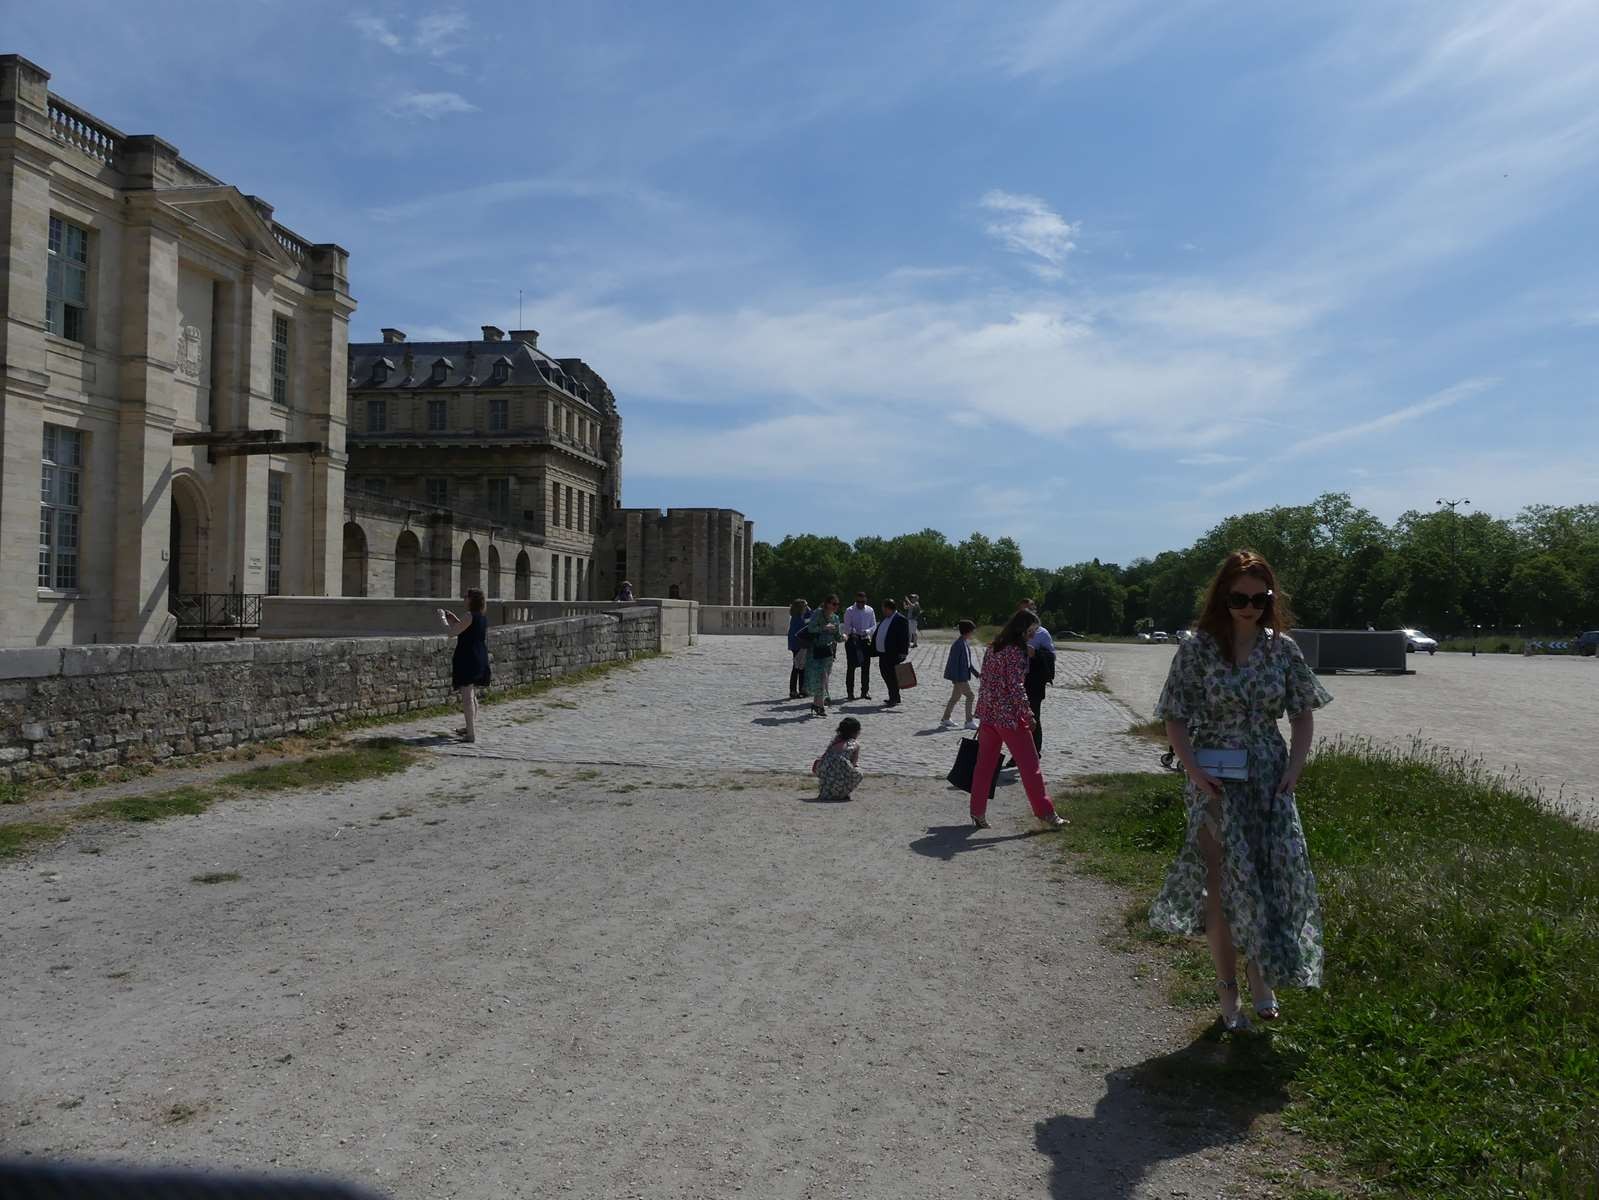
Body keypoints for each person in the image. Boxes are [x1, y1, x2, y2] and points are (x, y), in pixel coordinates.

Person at [1150, 549, 1332, 1032]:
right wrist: (1191, 771)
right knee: (1222, 885)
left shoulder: (1283, 649)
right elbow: (1174, 715)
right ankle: (1227, 988)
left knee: (1269, 877)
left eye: (1259, 598)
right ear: (1222, 597)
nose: (1249, 606)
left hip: (1268, 777)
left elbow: (1303, 713)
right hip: (1212, 778)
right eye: (1238, 597)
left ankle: (1261, 977)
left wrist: (1295, 768)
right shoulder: (1196, 649)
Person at [970, 610, 1067, 831]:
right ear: (1022, 630)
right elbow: (1016, 687)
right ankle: (1045, 812)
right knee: (1030, 766)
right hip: (1009, 718)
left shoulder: (993, 648)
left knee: (984, 766)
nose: (1033, 636)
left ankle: (977, 811)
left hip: (989, 715)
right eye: (1031, 631)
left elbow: (985, 681)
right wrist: (1028, 713)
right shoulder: (1016, 652)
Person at [439, 588, 490, 744]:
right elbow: (465, 629)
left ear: (471, 599)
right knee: (471, 694)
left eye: (466, 597)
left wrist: (442, 619)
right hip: (479, 655)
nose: (464, 599)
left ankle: (471, 734)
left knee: (467, 696)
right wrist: (454, 619)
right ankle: (469, 728)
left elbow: (451, 633)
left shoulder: (469, 616)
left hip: (468, 657)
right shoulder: (481, 617)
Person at [802, 595, 843, 717]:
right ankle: (819, 705)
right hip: (816, 650)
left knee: (824, 678)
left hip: (828, 651)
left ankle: (817, 704)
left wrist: (844, 637)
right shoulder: (818, 613)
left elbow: (837, 636)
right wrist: (824, 628)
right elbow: (811, 628)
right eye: (834, 604)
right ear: (827, 604)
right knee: (819, 677)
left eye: (837, 604)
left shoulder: (835, 618)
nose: (836, 606)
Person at [811, 716, 864, 801]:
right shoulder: (855, 744)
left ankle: (831, 791)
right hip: (840, 781)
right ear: (855, 732)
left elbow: (824, 757)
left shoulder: (834, 741)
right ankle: (843, 792)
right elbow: (853, 764)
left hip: (825, 789)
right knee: (858, 771)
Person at [940, 619, 981, 728]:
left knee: (955, 697)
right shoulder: (958, 645)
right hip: (959, 677)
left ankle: (945, 718)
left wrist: (977, 674)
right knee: (970, 696)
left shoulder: (964, 643)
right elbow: (953, 663)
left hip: (962, 676)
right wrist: (955, 679)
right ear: (968, 631)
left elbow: (968, 663)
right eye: (972, 631)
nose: (973, 633)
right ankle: (968, 721)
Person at [874, 597, 911, 707]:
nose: (883, 611)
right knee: (885, 674)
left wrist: (903, 652)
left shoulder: (900, 619)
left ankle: (894, 697)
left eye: (884, 609)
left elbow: (905, 637)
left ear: (889, 608)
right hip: (883, 653)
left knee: (891, 676)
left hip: (893, 653)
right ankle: (894, 696)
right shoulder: (886, 619)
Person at [841, 591, 877, 700]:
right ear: (856, 600)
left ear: (865, 600)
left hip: (865, 640)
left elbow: (874, 625)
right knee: (851, 667)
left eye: (863, 601)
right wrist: (854, 631)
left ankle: (864, 691)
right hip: (853, 640)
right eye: (858, 601)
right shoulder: (849, 610)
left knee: (866, 667)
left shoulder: (870, 610)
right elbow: (847, 627)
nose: (861, 603)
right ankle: (850, 692)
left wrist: (867, 631)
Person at [786, 598, 811, 699]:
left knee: (800, 667)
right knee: (798, 668)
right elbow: (809, 620)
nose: (807, 607)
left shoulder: (797, 617)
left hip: (797, 645)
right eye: (805, 605)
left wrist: (808, 609)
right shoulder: (798, 618)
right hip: (799, 645)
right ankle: (796, 690)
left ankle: (800, 689)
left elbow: (810, 615)